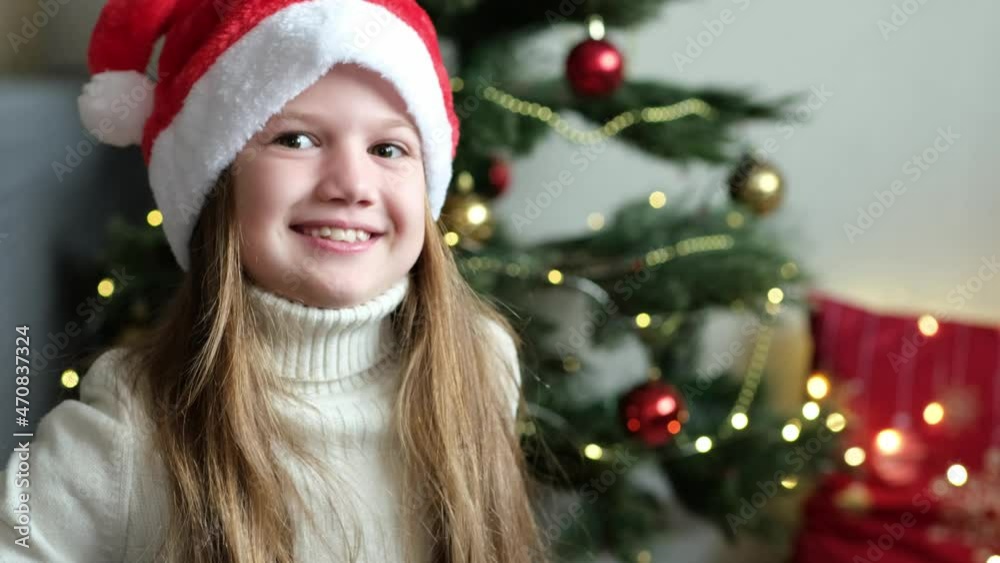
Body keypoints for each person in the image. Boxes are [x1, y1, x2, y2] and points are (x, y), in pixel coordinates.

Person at [0, 0, 546, 561]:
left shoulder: (482, 364)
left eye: (389, 149)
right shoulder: (133, 424)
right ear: (216, 185)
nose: (352, 184)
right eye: (297, 140)